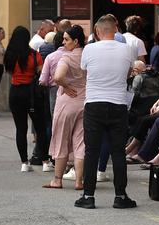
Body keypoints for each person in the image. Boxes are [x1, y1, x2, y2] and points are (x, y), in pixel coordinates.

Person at [75, 15, 137, 210]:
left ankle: (88, 195)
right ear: (115, 30)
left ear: (97, 31)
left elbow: (84, 75)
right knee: (118, 152)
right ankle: (120, 196)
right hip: (118, 104)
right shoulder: (127, 49)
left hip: (94, 104)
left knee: (91, 150)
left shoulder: (89, 49)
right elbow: (127, 74)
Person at [43, 25, 87, 190]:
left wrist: (66, 86)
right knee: (80, 143)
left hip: (67, 102)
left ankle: (57, 179)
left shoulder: (66, 58)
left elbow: (58, 77)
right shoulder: (87, 56)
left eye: (66, 39)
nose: (63, 42)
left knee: (61, 140)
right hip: (84, 101)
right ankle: (78, 181)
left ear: (76, 41)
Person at [4, 26, 51, 172]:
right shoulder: (33, 55)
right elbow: (41, 72)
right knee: (40, 128)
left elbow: (10, 72)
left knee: (20, 128)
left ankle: (24, 163)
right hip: (32, 94)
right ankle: (44, 161)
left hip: (15, 92)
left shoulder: (10, 55)